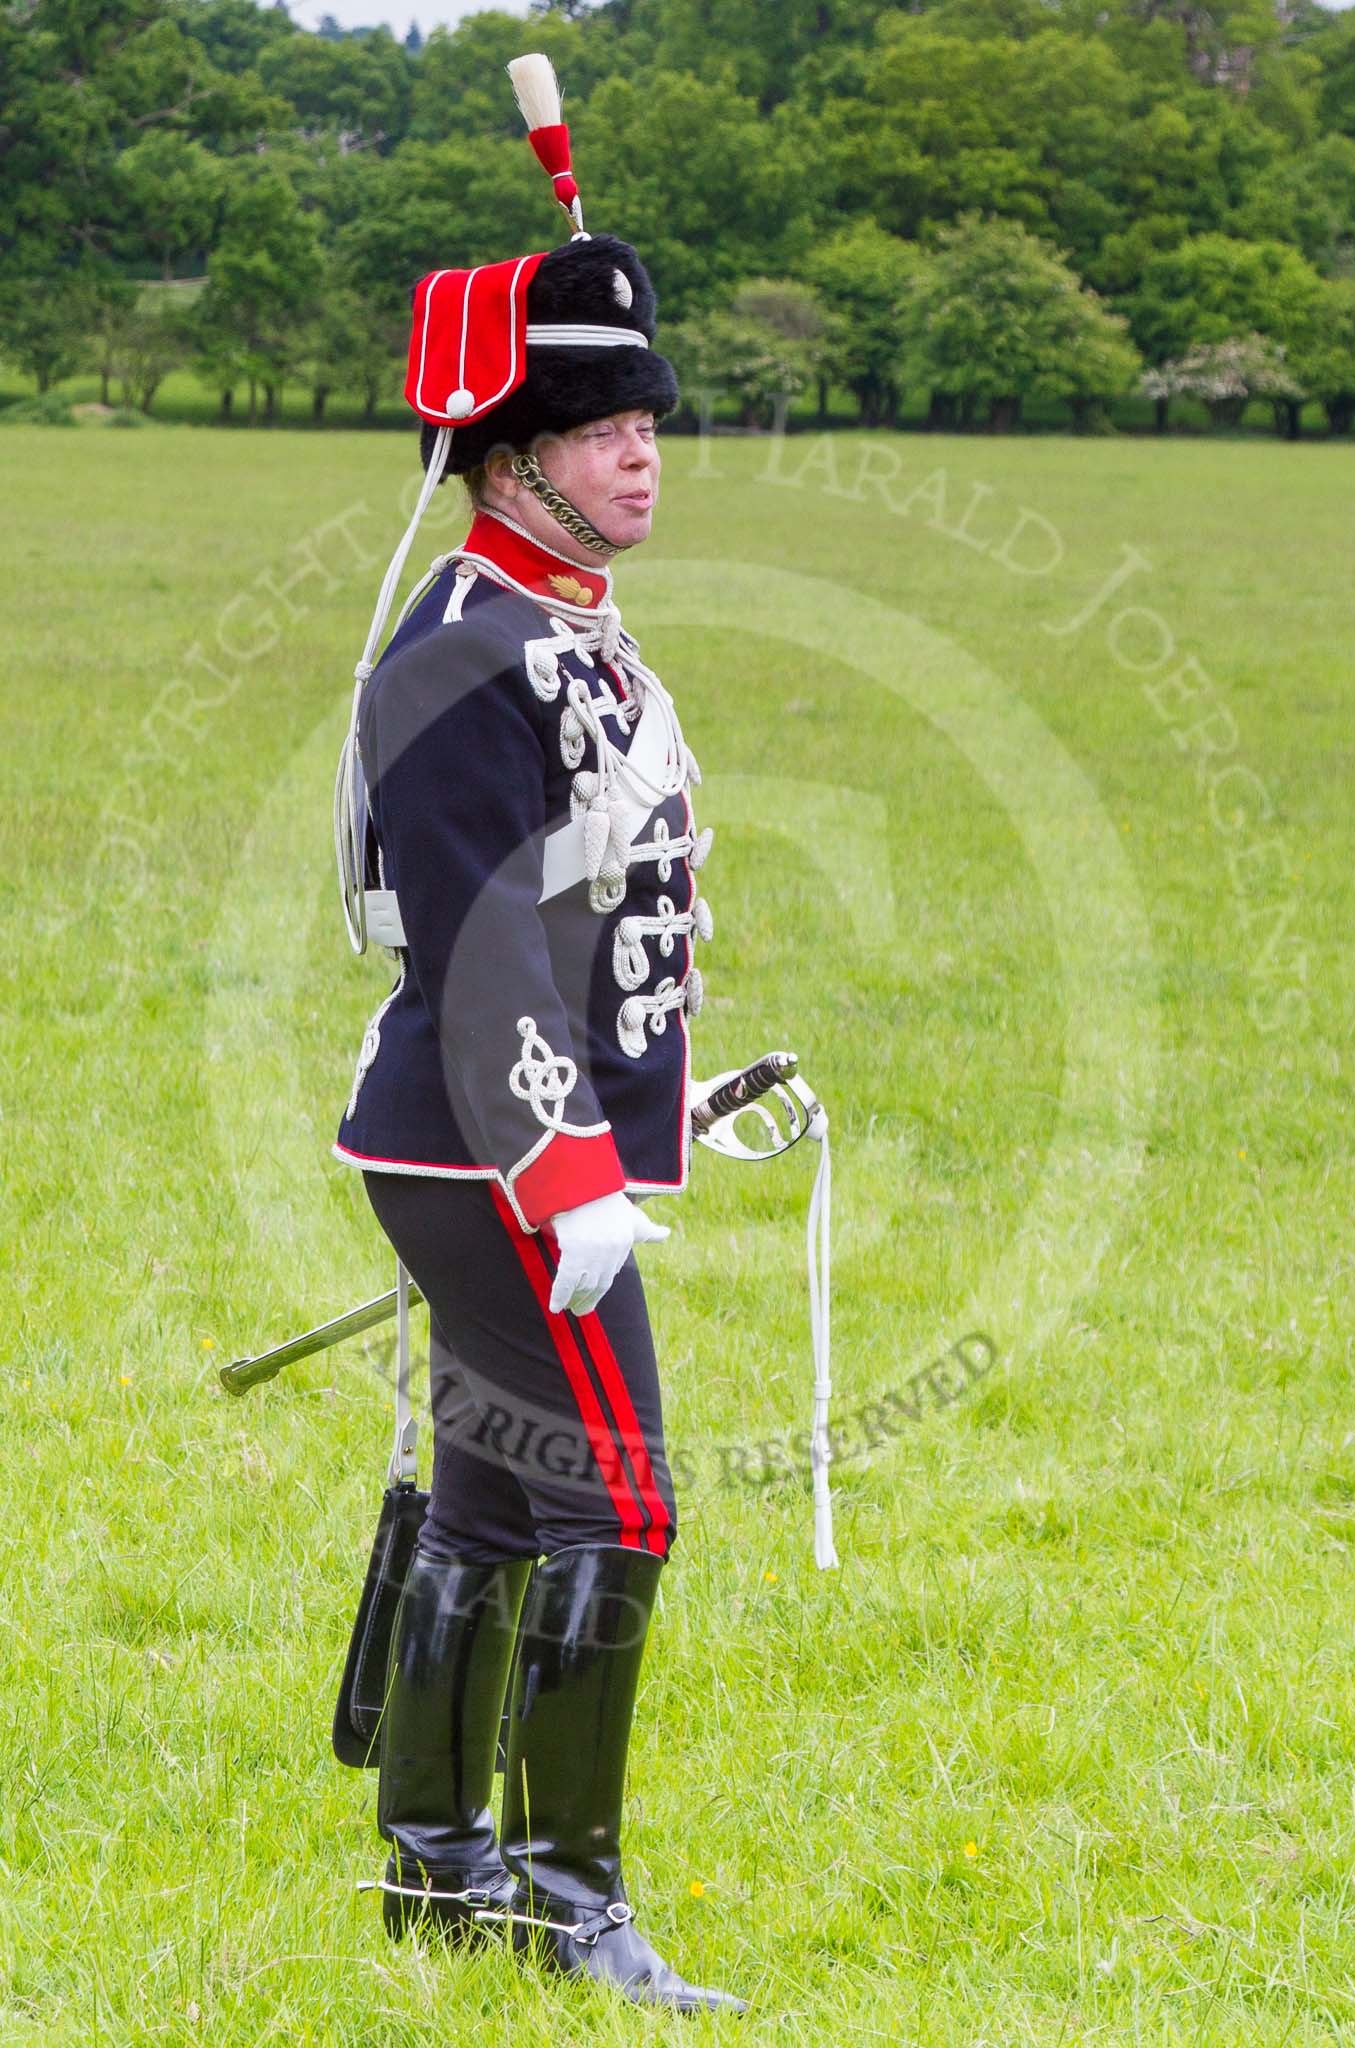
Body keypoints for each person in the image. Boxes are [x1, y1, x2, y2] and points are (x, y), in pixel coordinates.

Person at [330, 55, 745, 2017]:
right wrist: (570, 1175)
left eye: (646, 416)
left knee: (494, 1500)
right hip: (489, 1151)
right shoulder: (461, 657)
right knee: (620, 1502)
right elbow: (489, 957)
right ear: (504, 451)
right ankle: (569, 1907)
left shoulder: (555, 622)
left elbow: (590, 912)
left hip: (491, 1142)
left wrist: (666, 1096)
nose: (639, 451)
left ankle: (439, 1874)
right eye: (593, 422)